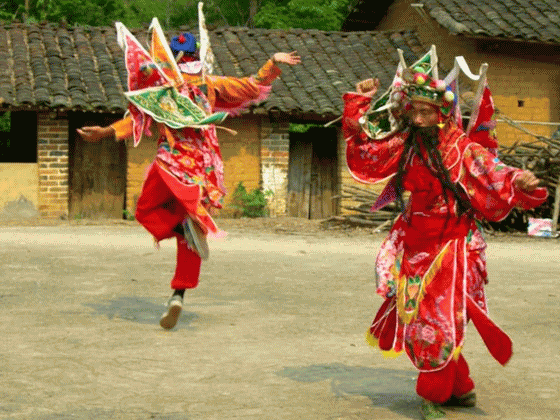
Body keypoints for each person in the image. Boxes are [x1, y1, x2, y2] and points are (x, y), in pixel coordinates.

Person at [342, 51, 547, 419]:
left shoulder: (461, 148)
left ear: (443, 112)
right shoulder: (406, 143)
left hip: (454, 246)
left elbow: (494, 171)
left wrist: (520, 180)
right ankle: (460, 386)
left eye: (427, 112)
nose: (419, 119)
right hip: (414, 242)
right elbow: (366, 150)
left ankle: (433, 393)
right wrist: (359, 101)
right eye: (414, 111)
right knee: (420, 319)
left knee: (438, 321)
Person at [78, 28, 300, 330]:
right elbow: (251, 86)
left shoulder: (164, 87)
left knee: (145, 210)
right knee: (192, 231)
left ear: (171, 55)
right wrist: (273, 62)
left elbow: (139, 119)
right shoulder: (210, 83)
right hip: (202, 168)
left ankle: (180, 236)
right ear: (197, 54)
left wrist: (107, 131)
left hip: (171, 162)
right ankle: (178, 295)